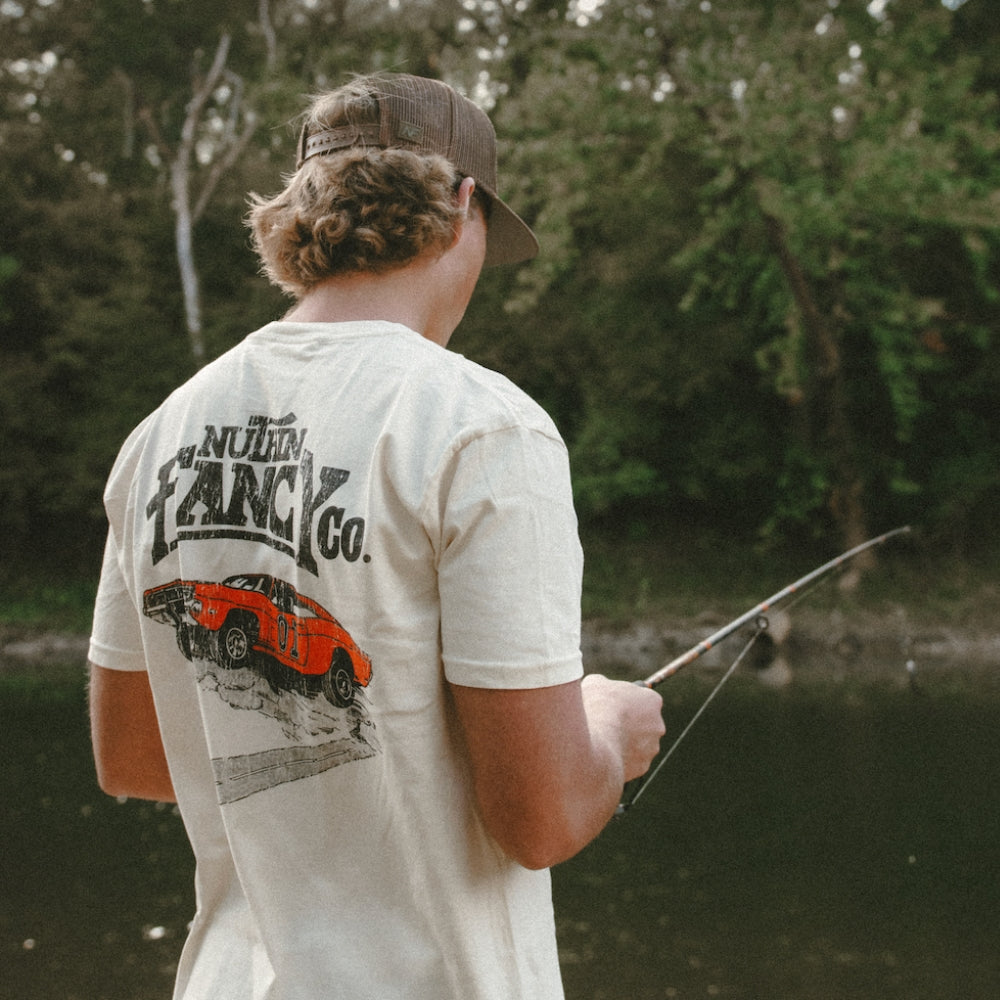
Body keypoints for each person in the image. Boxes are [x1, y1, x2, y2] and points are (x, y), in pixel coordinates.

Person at [88, 72, 665, 1000]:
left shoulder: (162, 432)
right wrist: (607, 729)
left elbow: (137, 760)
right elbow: (542, 818)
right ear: (464, 205)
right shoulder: (483, 429)